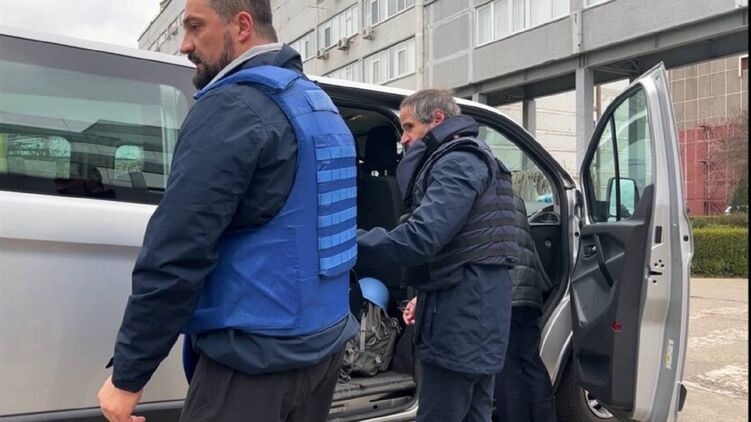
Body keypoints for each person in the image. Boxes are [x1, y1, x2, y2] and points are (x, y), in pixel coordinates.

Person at [96, 1, 359, 421]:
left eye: (195, 27)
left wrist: (128, 376)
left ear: (242, 25)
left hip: (254, 364)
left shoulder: (233, 108)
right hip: (324, 347)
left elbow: (177, 253)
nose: (185, 45)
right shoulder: (319, 104)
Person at [357, 89, 519, 422]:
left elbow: (422, 237)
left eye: (409, 127)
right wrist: (426, 295)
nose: (403, 138)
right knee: (475, 414)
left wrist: (349, 241)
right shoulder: (470, 158)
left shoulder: (458, 162)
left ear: (437, 120)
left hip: (461, 323)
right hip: (472, 313)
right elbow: (467, 248)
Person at [493, 195, 556, 422]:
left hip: (505, 292)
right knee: (530, 362)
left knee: (507, 368)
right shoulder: (515, 198)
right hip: (529, 292)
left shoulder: (482, 194)